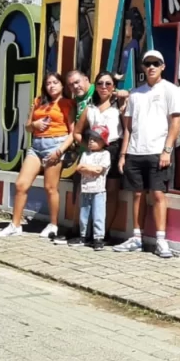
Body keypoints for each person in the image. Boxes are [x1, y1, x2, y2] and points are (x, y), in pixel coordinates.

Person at [115, 49, 180, 258]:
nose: (151, 67)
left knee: (158, 194)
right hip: (135, 151)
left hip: (157, 151)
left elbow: (176, 122)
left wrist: (167, 150)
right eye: (147, 63)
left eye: (155, 63)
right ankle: (136, 237)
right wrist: (123, 155)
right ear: (143, 67)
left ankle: (161, 240)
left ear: (162, 66)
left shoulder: (171, 90)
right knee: (137, 194)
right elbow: (128, 128)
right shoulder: (135, 94)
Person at [0, 72, 75, 239]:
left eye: (55, 82)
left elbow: (73, 133)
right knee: (21, 185)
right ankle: (15, 225)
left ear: (62, 85)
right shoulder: (38, 101)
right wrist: (35, 124)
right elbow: (27, 127)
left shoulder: (67, 103)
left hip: (55, 145)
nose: (51, 86)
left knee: (50, 187)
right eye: (48, 83)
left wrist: (59, 151)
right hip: (37, 145)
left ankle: (53, 225)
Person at [73, 70, 125, 242]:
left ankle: (104, 233)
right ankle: (85, 233)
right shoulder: (90, 108)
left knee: (110, 192)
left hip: (114, 149)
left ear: (113, 87)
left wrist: (124, 95)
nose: (104, 87)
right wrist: (88, 146)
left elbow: (127, 129)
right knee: (88, 191)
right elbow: (77, 132)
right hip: (94, 152)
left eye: (108, 84)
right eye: (100, 83)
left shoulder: (119, 106)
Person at [70, 126, 111, 250]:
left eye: (95, 139)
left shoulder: (105, 154)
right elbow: (78, 168)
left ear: (103, 141)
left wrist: (87, 168)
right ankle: (84, 236)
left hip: (98, 190)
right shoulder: (85, 154)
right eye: (90, 139)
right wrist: (91, 169)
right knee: (84, 214)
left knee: (98, 214)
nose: (91, 142)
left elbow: (99, 170)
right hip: (85, 189)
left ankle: (98, 238)